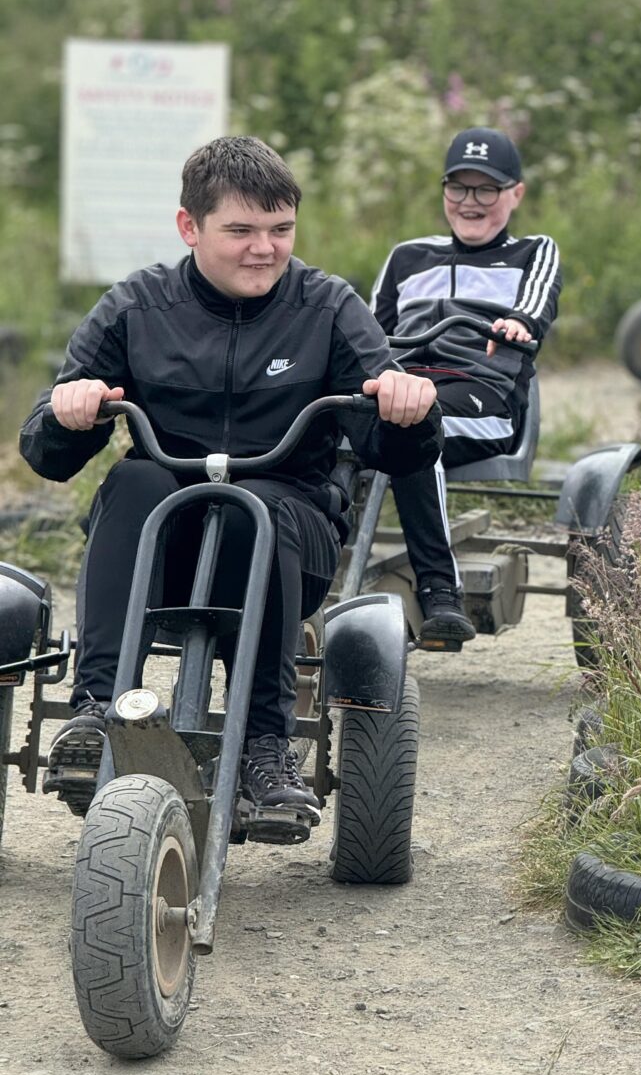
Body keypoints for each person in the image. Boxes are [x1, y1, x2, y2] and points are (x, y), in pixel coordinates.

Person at [19, 136, 440, 827]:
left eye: (280, 231)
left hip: (287, 533)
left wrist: (403, 407)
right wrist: (72, 411)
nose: (264, 248)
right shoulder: (136, 305)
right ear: (190, 227)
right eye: (240, 230)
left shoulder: (328, 307)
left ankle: (263, 749)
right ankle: (97, 710)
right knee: (136, 482)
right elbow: (47, 453)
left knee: (259, 506)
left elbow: (393, 449)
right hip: (164, 542)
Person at [370, 126, 561, 646]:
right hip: (403, 383)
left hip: (480, 393)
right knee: (332, 420)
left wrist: (521, 322)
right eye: (459, 188)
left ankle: (440, 594)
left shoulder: (533, 252)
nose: (470, 202)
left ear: (515, 193)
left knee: (415, 419)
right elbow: (367, 333)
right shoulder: (406, 256)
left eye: (487, 189)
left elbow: (539, 300)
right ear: (444, 191)